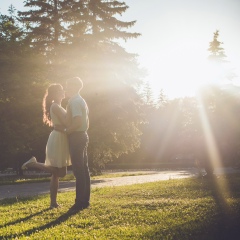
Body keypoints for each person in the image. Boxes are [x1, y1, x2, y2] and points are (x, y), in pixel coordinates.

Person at [21, 83, 71, 209]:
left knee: (57, 174)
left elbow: (63, 124)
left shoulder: (57, 106)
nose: (63, 91)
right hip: (58, 138)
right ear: (55, 94)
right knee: (60, 173)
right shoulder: (55, 106)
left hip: (60, 138)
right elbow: (66, 122)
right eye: (60, 90)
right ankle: (34, 164)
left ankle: (53, 203)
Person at [61, 77, 90, 211]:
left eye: (67, 86)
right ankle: (85, 201)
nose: (66, 89)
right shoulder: (80, 100)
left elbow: (77, 122)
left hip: (77, 136)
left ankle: (79, 202)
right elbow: (83, 122)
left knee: (79, 170)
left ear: (73, 87)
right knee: (84, 169)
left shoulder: (75, 102)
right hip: (82, 135)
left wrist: (67, 131)